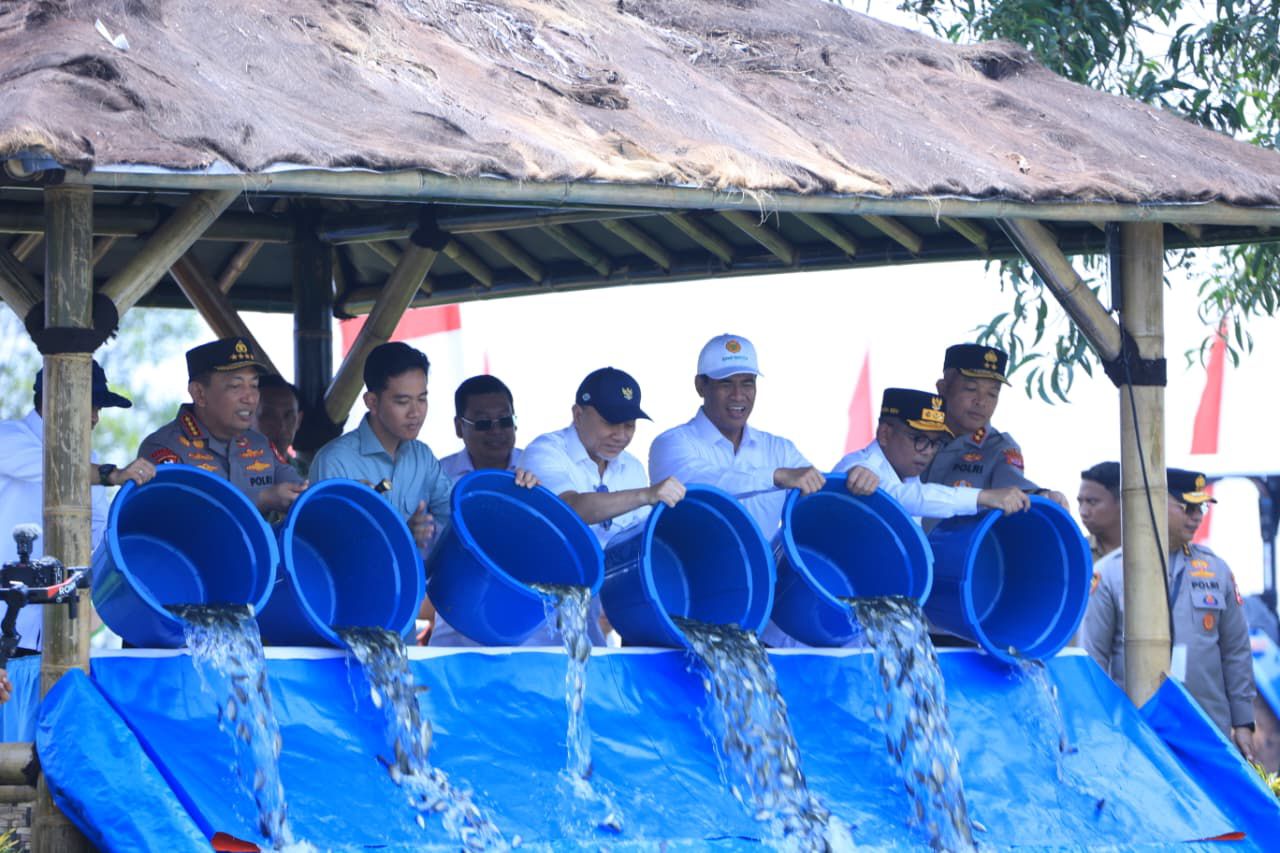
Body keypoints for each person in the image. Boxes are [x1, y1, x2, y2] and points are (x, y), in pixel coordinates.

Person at [471, 367, 682, 648]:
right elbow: (569, 508)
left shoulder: (631, 467)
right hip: (536, 625)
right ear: (578, 414)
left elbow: (636, 547)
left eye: (629, 425)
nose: (620, 435)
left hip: (593, 625)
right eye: (610, 422)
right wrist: (646, 494)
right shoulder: (546, 451)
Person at [1081, 468, 1255, 759]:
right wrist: (1103, 726)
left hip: (1207, 728)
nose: (1196, 517)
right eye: (1187, 507)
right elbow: (1094, 658)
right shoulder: (1110, 572)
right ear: (1156, 503)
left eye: (1200, 508)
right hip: (1138, 730)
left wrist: (1244, 722)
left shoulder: (1216, 570)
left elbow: (1236, 651)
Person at [649, 334, 872, 541]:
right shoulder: (670, 443)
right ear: (700, 386)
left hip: (766, 572)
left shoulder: (780, 450)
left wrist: (855, 477)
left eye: (747, 382)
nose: (738, 395)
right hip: (691, 572)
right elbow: (698, 485)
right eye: (726, 383)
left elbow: (821, 501)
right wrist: (776, 476)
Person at [0, 361, 155, 655]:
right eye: (89, 405)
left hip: (51, 639)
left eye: (99, 408)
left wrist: (140, 558)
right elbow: (56, 470)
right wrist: (112, 474)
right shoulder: (7, 436)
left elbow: (100, 536)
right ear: (52, 401)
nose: (96, 417)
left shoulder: (89, 459)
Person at [139, 337, 305, 516]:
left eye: (254, 385)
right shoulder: (164, 447)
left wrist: (302, 495)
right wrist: (261, 500)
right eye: (236, 386)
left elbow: (299, 490)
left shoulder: (260, 444)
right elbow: (176, 516)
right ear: (199, 393)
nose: (250, 398)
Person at [833, 388, 1029, 522]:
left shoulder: (909, 477)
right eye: (919, 439)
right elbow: (901, 497)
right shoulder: (861, 467)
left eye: (936, 443)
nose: (928, 451)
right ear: (885, 434)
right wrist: (982, 496)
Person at [922, 344, 1068, 509]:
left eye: (992, 394)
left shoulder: (999, 449)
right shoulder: (914, 432)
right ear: (943, 388)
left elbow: (1017, 490)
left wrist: (1043, 496)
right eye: (971, 389)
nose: (981, 402)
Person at [439, 374, 525, 483]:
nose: (496, 431)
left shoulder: (535, 468)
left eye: (505, 420)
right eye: (483, 422)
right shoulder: (438, 477)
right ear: (459, 427)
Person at [255, 374, 307, 479]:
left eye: (289, 416)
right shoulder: (228, 476)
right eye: (269, 416)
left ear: (298, 421)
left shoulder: (309, 476)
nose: (281, 426)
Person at [1078, 461, 1121, 562]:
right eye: (1080, 502)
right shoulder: (1076, 553)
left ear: (1121, 502)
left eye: (1092, 502)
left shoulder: (1152, 548)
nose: (1083, 512)